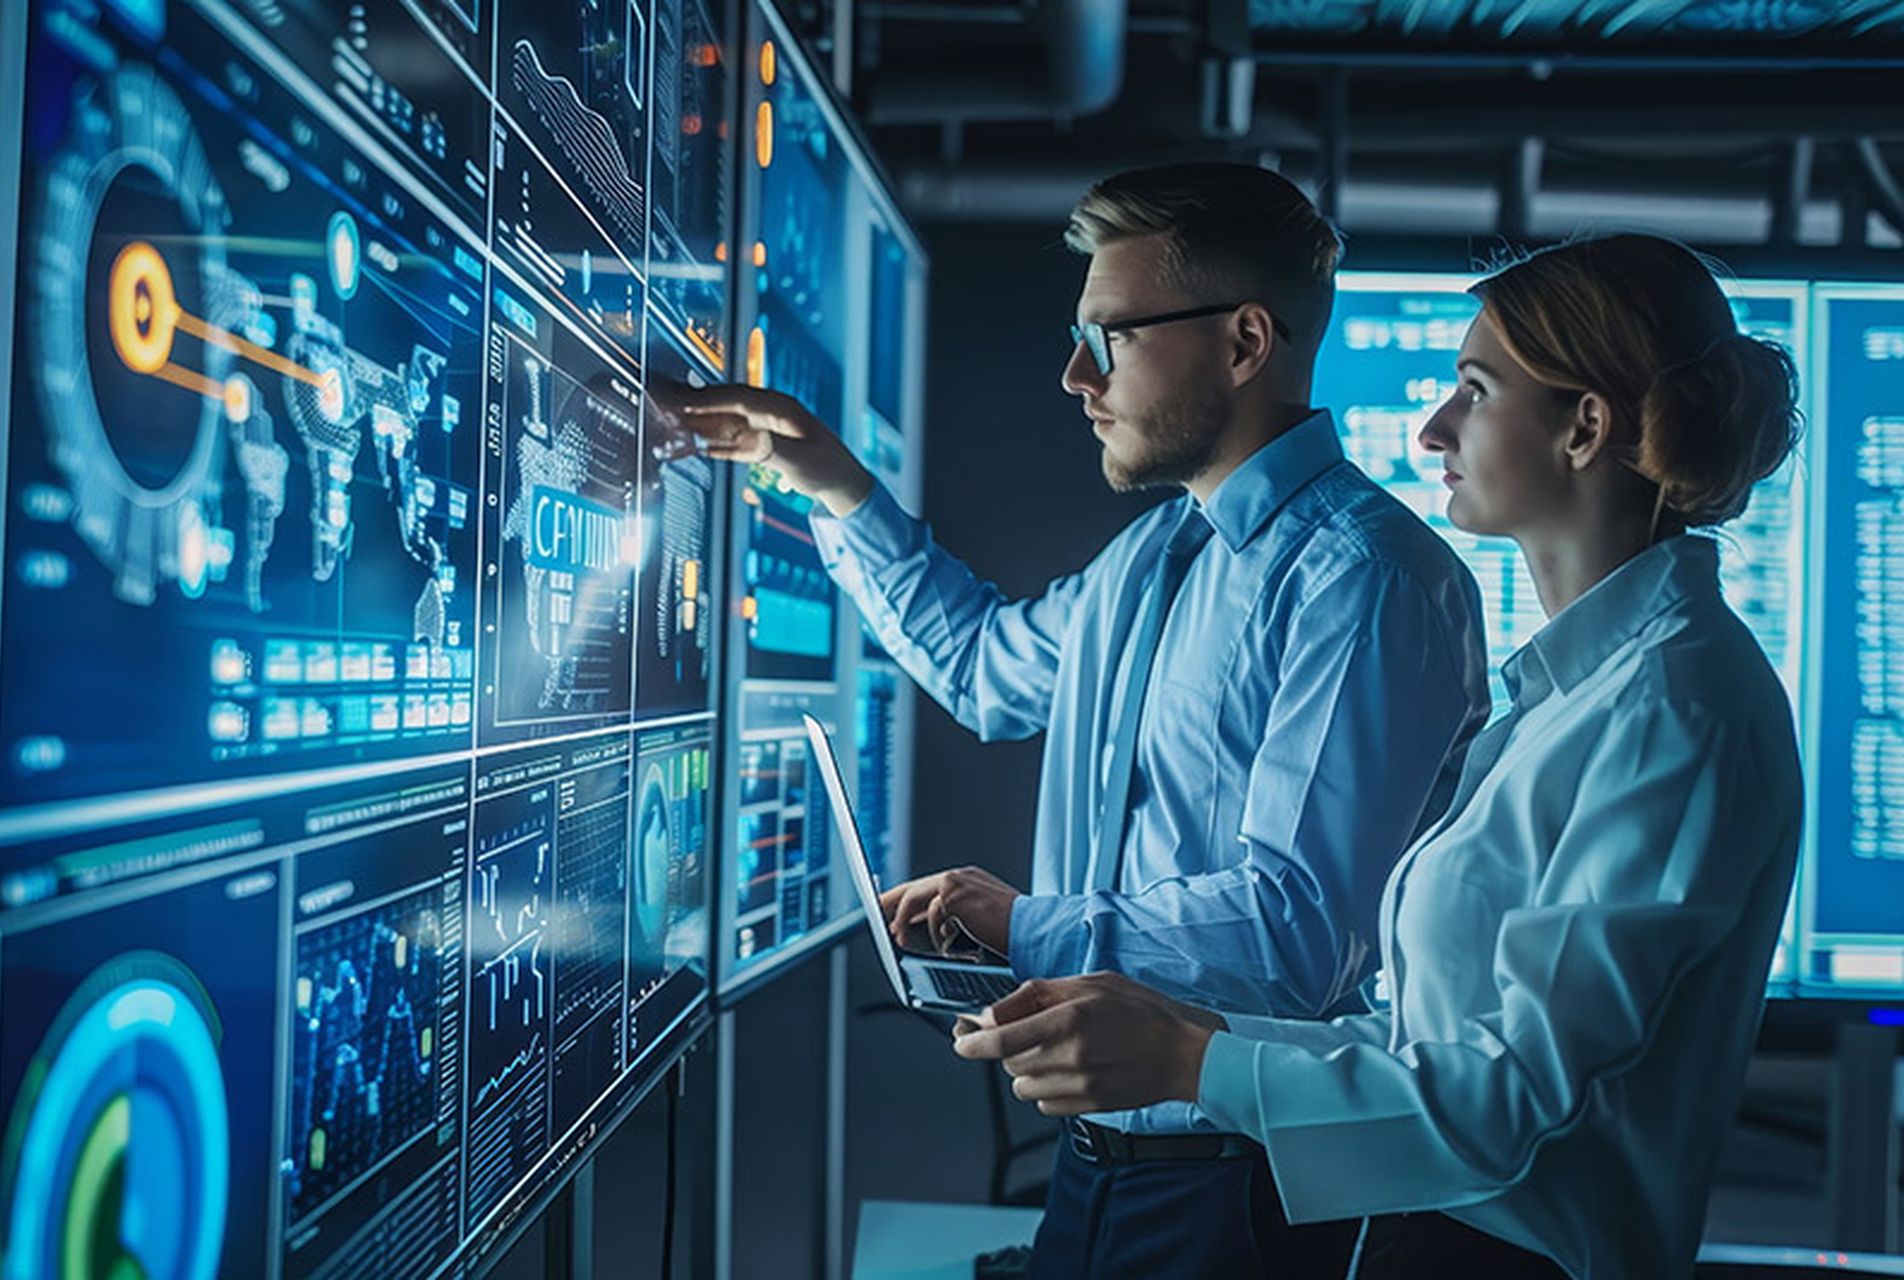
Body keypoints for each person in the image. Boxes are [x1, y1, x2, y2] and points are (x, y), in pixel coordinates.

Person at [675, 162, 1490, 1278]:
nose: (1074, 375)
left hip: (1246, 1190)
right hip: (1101, 1160)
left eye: (1110, 339)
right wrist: (832, 484)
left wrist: (1023, 923)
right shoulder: (1153, 556)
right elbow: (977, 666)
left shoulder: (1370, 579)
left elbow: (1294, 933)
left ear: (1245, 342)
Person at [954, 233, 1806, 1279]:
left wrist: (1195, 1058)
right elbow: (1417, 1046)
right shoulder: (1575, 693)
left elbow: (1502, 1103)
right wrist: (1180, 1025)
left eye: (1475, 391)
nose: (1433, 426)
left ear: (1584, 426)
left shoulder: (1677, 707)